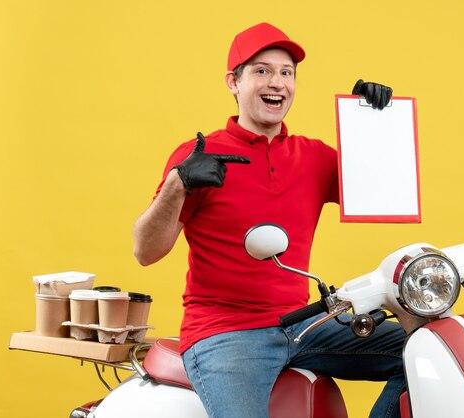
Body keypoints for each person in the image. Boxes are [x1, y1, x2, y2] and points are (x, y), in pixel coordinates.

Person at [133, 22, 405, 418]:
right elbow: (146, 251)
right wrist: (179, 183)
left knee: (426, 349)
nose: (276, 82)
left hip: (303, 324)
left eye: (286, 72)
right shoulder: (200, 156)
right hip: (226, 333)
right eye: (261, 70)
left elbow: (384, 196)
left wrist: (375, 123)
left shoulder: (315, 157)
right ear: (234, 82)